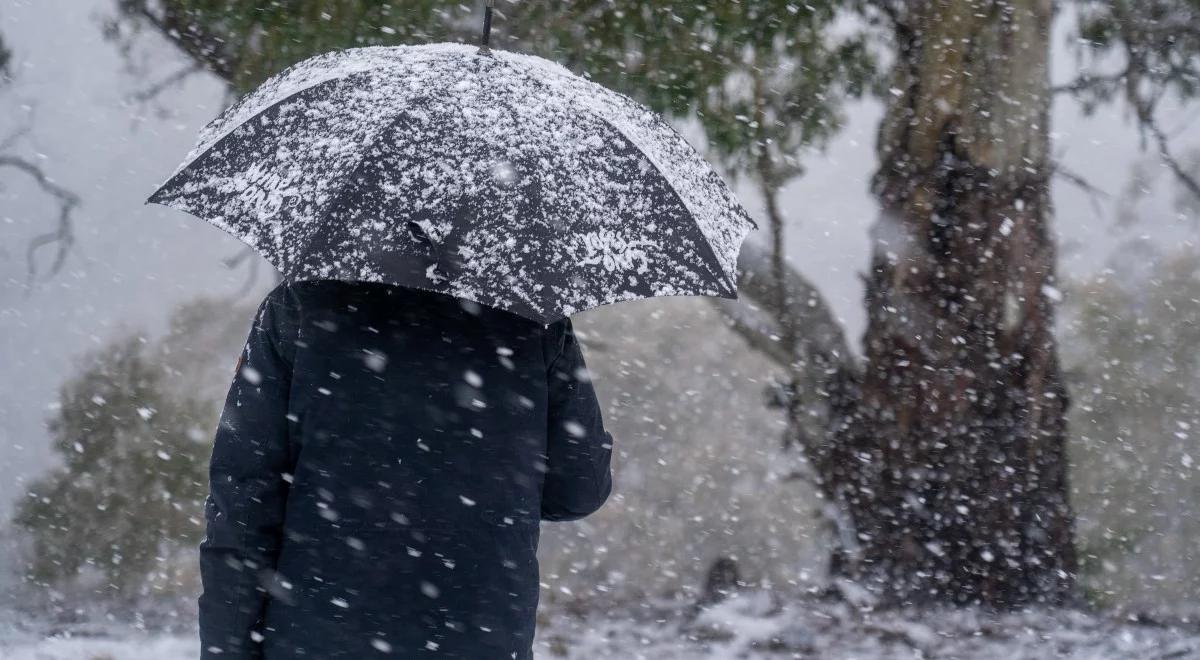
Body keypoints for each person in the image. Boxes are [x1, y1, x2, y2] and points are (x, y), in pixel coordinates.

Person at [198, 280, 614, 659]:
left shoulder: (300, 305)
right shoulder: (533, 318)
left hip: (319, 634)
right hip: (479, 634)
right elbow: (578, 490)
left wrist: (227, 646)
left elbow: (244, 498)